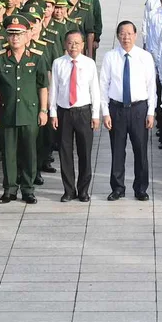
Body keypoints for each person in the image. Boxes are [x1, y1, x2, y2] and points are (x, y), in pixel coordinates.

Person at [0, 16, 49, 204]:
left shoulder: (37, 57)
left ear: (27, 36)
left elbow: (43, 86)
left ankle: (28, 189)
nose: (15, 38)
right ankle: (9, 189)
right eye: (11, 34)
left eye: (19, 34)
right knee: (8, 153)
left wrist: (43, 110)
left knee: (29, 153)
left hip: (29, 113)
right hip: (7, 112)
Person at [99, 21, 157, 201]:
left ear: (135, 35)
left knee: (140, 150)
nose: (126, 37)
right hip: (117, 109)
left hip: (139, 109)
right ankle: (118, 188)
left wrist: (151, 112)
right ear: (117, 36)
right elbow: (103, 85)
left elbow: (151, 86)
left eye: (129, 33)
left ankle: (141, 188)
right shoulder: (110, 57)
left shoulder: (145, 57)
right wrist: (105, 112)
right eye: (122, 34)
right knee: (117, 150)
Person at [49, 30, 100, 202]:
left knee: (84, 152)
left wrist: (95, 114)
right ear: (65, 44)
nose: (73, 46)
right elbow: (54, 89)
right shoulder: (58, 63)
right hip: (64, 112)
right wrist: (53, 112)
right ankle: (69, 190)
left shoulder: (89, 63)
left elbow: (95, 90)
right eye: (70, 43)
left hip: (83, 112)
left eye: (77, 43)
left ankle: (83, 190)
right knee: (65, 152)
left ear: (83, 45)